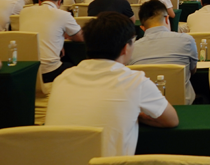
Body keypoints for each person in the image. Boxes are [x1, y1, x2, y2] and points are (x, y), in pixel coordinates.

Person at [46, 12, 178, 156]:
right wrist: (137, 115)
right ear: (125, 48)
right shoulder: (135, 81)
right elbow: (171, 120)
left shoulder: (62, 78)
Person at [130, 0, 198, 105]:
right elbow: (192, 70)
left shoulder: (132, 49)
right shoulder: (187, 40)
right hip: (184, 105)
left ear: (142, 28)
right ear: (167, 19)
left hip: (147, 107)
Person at [21, 0, 84, 83]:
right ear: (59, 2)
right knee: (75, 65)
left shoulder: (24, 12)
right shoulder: (63, 15)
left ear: (40, 1)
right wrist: (64, 35)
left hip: (27, 70)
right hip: (49, 71)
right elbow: (80, 38)